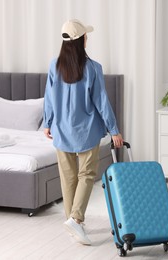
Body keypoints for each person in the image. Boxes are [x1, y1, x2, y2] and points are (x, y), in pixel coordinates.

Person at [43, 19, 124, 246]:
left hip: (60, 129)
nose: (87, 37)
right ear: (80, 40)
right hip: (86, 130)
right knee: (86, 175)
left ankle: (72, 222)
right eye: (85, 35)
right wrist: (114, 129)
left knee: (68, 178)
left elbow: (49, 97)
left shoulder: (53, 65)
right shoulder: (93, 68)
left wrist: (47, 123)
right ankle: (76, 219)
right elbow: (102, 102)